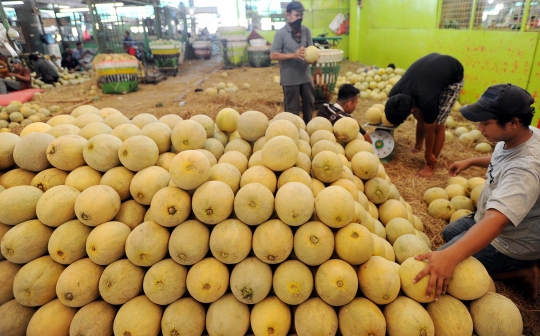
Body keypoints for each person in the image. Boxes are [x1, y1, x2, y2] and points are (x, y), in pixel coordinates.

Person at [413, 83, 540, 300]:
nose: (479, 128)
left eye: (486, 123)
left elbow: (497, 221)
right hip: (489, 219)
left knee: (446, 272)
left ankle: (523, 272)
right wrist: (471, 161)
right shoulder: (521, 136)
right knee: (449, 234)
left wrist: (450, 258)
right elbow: (502, 161)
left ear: (513, 123)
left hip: (510, 243)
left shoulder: (526, 168)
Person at [384, 53, 464, 178]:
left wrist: (428, 155)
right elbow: (419, 118)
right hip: (431, 73)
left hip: (452, 75)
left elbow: (431, 131)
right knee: (421, 118)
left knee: (437, 124)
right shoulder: (394, 93)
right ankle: (418, 145)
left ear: (411, 111)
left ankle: (431, 165)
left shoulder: (427, 100)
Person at [270, 1, 315, 124]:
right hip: (290, 79)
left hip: (306, 77)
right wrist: (293, 55)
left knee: (309, 105)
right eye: (296, 15)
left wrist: (312, 58)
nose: (299, 18)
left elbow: (310, 50)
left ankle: (308, 129)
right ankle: (293, 132)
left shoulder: (306, 31)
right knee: (292, 110)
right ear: (288, 15)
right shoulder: (281, 33)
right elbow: (273, 54)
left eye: (301, 15)